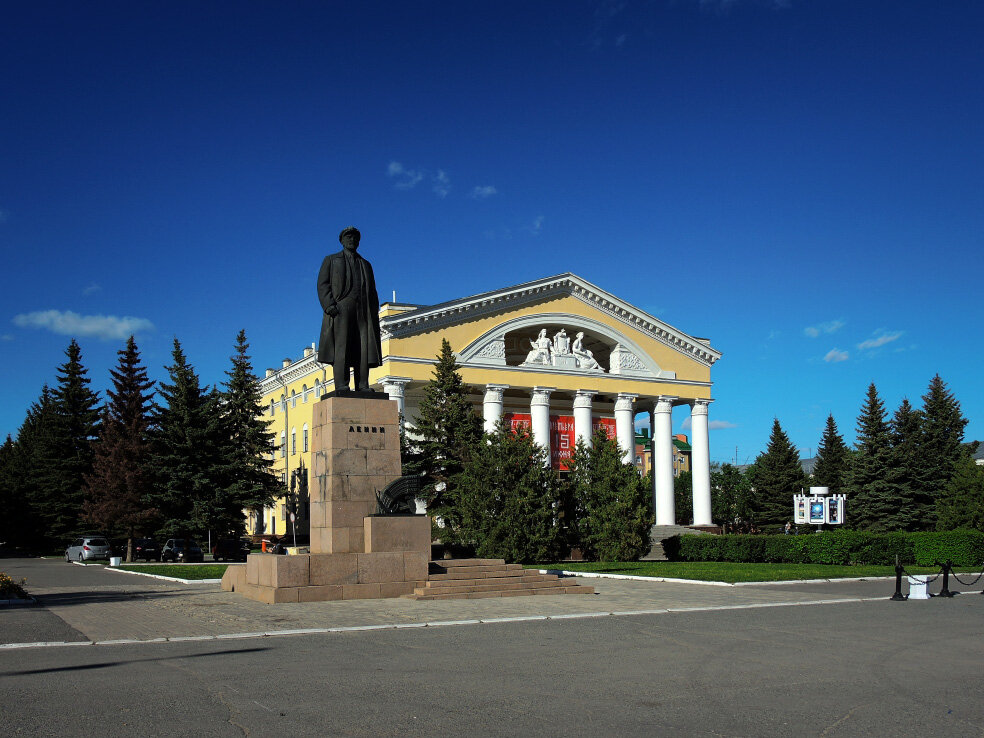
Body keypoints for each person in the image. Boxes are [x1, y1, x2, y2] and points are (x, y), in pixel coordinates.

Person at [317, 227, 382, 392]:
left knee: (363, 347)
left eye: (355, 238)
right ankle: (342, 384)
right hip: (341, 307)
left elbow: (373, 290)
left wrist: (373, 311)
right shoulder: (331, 260)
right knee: (342, 346)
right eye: (348, 237)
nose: (352, 240)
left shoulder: (365, 264)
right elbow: (322, 284)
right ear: (342, 241)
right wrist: (329, 305)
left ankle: (362, 385)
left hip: (363, 310)